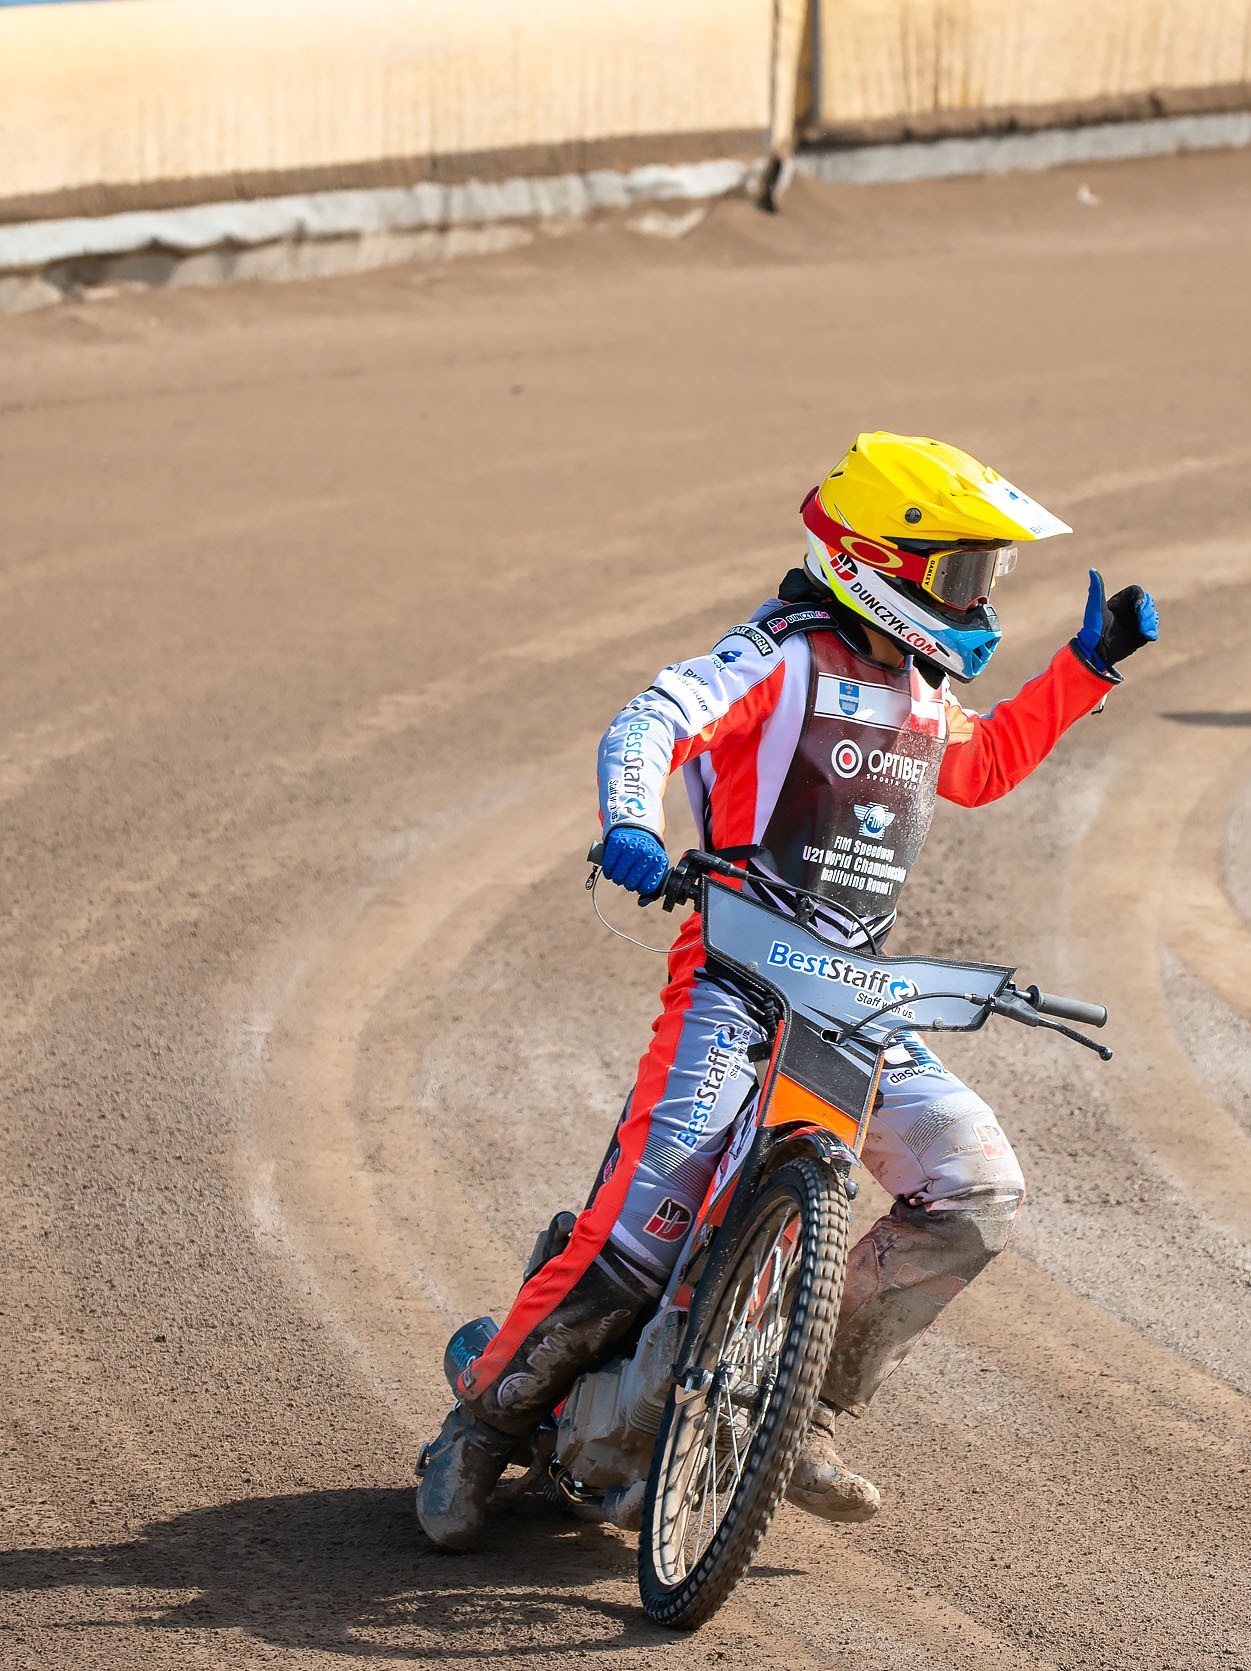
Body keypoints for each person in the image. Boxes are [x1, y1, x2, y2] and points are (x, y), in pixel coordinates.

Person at [416, 431, 1160, 1550]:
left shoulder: (918, 688)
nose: (980, 598)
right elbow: (651, 717)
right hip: (732, 985)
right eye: (962, 571)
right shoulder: (778, 654)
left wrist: (1085, 666)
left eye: (987, 574)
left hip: (856, 1001)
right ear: (877, 557)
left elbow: (979, 767)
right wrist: (632, 817)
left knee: (977, 1186)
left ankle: (797, 1400)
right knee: (634, 1238)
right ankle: (481, 1424)